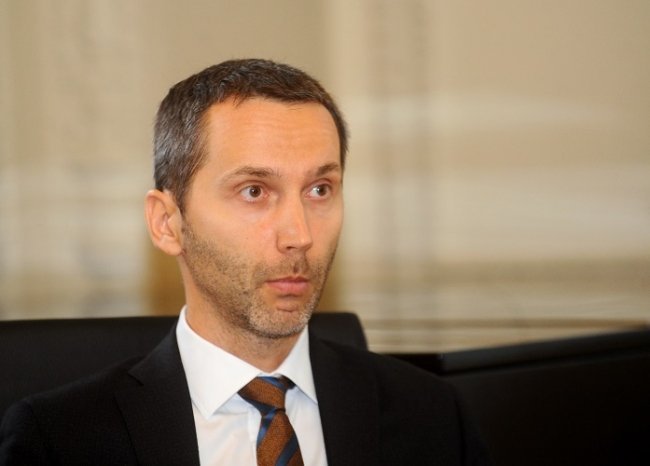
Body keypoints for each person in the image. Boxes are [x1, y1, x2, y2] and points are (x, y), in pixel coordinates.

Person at [0, 58, 491, 465]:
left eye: (320, 190)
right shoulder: (59, 442)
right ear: (167, 223)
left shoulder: (432, 416)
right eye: (254, 191)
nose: (300, 236)